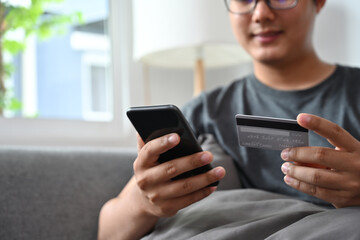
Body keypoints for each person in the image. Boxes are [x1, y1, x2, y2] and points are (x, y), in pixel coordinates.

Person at [98, 0, 360, 239]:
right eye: (245, 0)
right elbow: (107, 234)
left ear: (319, 3)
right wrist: (145, 203)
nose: (260, 14)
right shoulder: (203, 112)